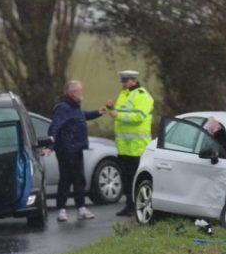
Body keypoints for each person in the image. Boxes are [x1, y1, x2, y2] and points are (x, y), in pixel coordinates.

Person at [48, 80, 104, 222]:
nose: (82, 94)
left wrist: (98, 112)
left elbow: (81, 116)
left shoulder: (74, 107)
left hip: (77, 149)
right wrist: (50, 145)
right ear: (72, 93)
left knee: (79, 180)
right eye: (80, 91)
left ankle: (81, 209)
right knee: (66, 180)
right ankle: (61, 210)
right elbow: (55, 127)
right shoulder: (62, 108)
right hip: (66, 151)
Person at [106, 69, 154, 217]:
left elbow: (138, 117)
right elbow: (120, 114)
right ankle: (129, 206)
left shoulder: (143, 95)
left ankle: (138, 206)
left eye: (126, 81)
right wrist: (110, 108)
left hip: (137, 147)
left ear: (134, 80)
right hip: (124, 146)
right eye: (122, 81)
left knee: (136, 179)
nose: (124, 84)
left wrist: (117, 114)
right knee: (126, 178)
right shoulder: (124, 94)